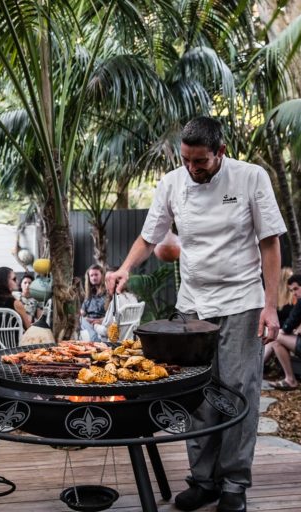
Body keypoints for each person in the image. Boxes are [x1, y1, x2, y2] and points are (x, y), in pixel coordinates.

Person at [106, 116, 285, 512]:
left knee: (239, 393)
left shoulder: (251, 177)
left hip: (242, 302)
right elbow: (149, 235)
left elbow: (269, 243)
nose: (192, 168)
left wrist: (271, 305)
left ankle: (235, 484)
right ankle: (203, 481)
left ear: (220, 152)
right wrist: (124, 268)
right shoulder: (172, 183)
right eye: (186, 160)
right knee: (197, 394)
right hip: (192, 306)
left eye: (200, 161)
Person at [94, 273, 139, 341]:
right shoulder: (132, 297)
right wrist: (103, 320)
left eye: (107, 281)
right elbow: (121, 320)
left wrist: (95, 326)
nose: (105, 285)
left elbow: (108, 332)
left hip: (113, 344)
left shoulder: (116, 300)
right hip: (129, 340)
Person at [80, 264, 108, 341]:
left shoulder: (108, 293)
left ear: (102, 275)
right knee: (79, 319)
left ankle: (95, 340)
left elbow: (112, 315)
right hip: (88, 322)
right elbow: (82, 312)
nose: (94, 278)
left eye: (96, 275)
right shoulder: (89, 294)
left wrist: (100, 320)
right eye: (91, 275)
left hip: (102, 321)